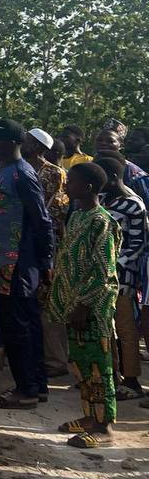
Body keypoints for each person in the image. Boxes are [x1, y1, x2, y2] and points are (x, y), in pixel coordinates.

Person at [48, 161, 121, 447]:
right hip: (73, 307)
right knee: (81, 366)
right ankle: (90, 416)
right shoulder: (77, 216)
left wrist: (83, 305)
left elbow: (104, 270)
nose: (67, 185)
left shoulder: (102, 222)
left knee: (99, 367)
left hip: (92, 311)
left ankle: (105, 426)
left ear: (88, 187)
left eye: (73, 181)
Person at [0, 118, 55, 410]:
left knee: (19, 329)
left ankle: (26, 390)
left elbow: (42, 220)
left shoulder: (22, 175)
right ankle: (35, 385)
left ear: (13, 143)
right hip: (2, 263)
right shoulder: (1, 172)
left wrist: (46, 261)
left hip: (18, 265)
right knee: (22, 326)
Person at [93, 155, 147, 400]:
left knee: (125, 328)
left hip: (122, 276)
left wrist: (113, 266)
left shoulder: (134, 204)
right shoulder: (102, 200)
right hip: (99, 274)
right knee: (104, 327)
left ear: (113, 177)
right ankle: (109, 376)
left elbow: (137, 243)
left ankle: (132, 380)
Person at [23, 127, 71, 378]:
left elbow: (42, 210)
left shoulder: (53, 173)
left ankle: (56, 359)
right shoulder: (22, 168)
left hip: (49, 244)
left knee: (48, 303)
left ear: (39, 147)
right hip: (29, 242)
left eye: (28, 141)